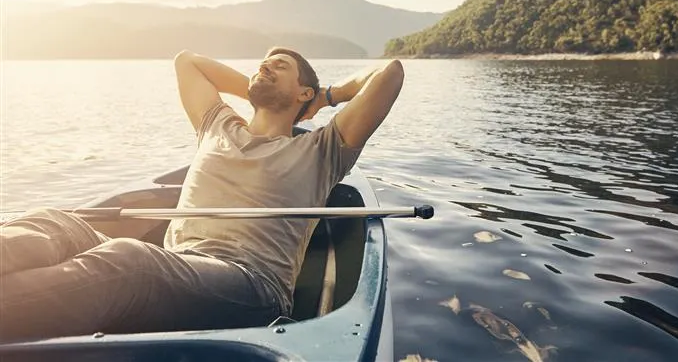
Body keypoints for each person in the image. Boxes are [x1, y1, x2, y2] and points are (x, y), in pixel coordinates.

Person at [0, 47, 404, 342]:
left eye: (280, 66)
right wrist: (258, 86)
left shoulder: (321, 150)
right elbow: (186, 61)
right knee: (55, 222)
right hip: (176, 264)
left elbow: (391, 72)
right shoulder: (218, 125)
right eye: (263, 62)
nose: (266, 65)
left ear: (303, 93)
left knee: (130, 261)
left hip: (252, 284)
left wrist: (327, 96)